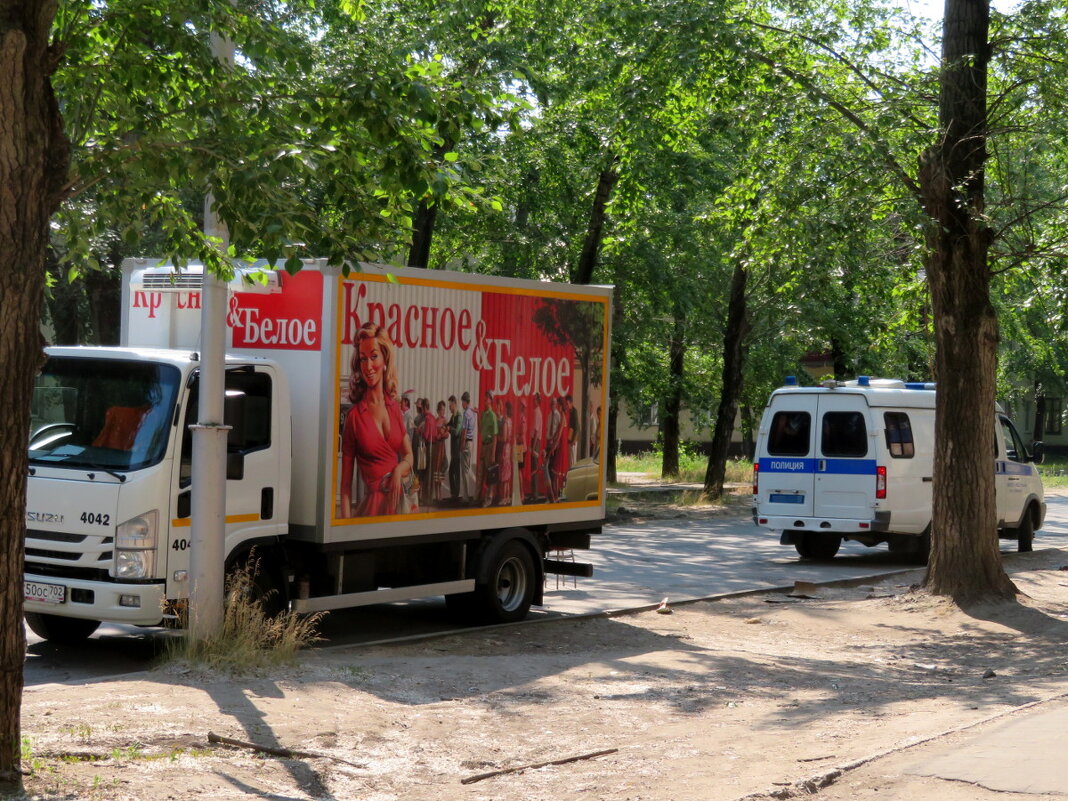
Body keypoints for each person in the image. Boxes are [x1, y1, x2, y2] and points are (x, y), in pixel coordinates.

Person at [340, 322, 414, 518]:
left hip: (399, 508)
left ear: (385, 358)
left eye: (374, 357)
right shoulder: (354, 417)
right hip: (372, 511)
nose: (368, 367)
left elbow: (409, 456)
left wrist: (398, 471)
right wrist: (344, 530)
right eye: (363, 359)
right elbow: (346, 487)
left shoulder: (395, 408)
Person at [479, 390, 499, 506]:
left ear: (491, 400)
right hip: (484, 445)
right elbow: (481, 429)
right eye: (485, 398)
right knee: (484, 472)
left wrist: (493, 453)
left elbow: (495, 435)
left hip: (490, 445)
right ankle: (482, 496)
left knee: (491, 473)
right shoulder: (484, 414)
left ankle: (489, 497)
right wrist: (477, 414)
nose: (485, 400)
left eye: (487, 398)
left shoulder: (492, 415)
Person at [431, 399, 450, 503]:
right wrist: (436, 436)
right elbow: (433, 435)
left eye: (444, 410)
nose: (443, 412)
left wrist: (441, 435)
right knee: (436, 468)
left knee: (442, 467)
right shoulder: (435, 420)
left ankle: (440, 493)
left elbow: (448, 434)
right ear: (438, 410)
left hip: (442, 447)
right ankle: (436, 494)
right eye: (441, 410)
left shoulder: (445, 420)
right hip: (436, 448)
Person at [460, 391, 477, 502]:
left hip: (466, 442)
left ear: (466, 402)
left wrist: (462, 443)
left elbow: (464, 430)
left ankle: (466, 496)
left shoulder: (466, 413)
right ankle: (470, 493)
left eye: (462, 402)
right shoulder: (473, 412)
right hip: (471, 442)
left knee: (465, 470)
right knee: (467, 468)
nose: (462, 404)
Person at [545, 395, 563, 501]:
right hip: (549, 442)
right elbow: (548, 430)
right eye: (551, 403)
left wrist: (554, 442)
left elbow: (558, 431)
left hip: (555, 444)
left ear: (556, 405)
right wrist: (548, 441)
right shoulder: (548, 416)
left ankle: (555, 494)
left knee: (553, 470)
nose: (552, 405)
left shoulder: (558, 415)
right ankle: (550, 495)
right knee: (548, 468)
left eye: (554, 403)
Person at [496, 400, 514, 506]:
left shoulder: (506, 421)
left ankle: (503, 497)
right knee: (507, 476)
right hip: (509, 448)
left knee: (503, 475)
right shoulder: (511, 421)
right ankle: (507, 497)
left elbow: (504, 437)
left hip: (504, 449)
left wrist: (497, 437)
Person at [529, 392, 545, 502]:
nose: (533, 401)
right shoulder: (537, 412)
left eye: (535, 399)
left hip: (535, 441)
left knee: (534, 468)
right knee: (533, 467)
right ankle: (533, 492)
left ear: (537, 401)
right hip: (535, 441)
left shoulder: (537, 412)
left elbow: (536, 431)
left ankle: (535, 494)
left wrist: (533, 446)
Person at [447, 395, 463, 501]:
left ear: (454, 404)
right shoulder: (453, 416)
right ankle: (454, 493)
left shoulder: (459, 416)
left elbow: (457, 431)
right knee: (451, 471)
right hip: (453, 450)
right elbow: (447, 425)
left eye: (450, 405)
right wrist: (443, 426)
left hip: (457, 449)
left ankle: (456, 494)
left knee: (456, 472)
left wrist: (449, 428)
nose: (449, 408)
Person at [567, 393, 579, 464]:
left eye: (567, 403)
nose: (567, 405)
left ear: (571, 403)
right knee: (570, 458)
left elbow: (576, 427)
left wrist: (574, 440)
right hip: (570, 437)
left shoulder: (574, 412)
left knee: (573, 458)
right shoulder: (570, 412)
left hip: (573, 438)